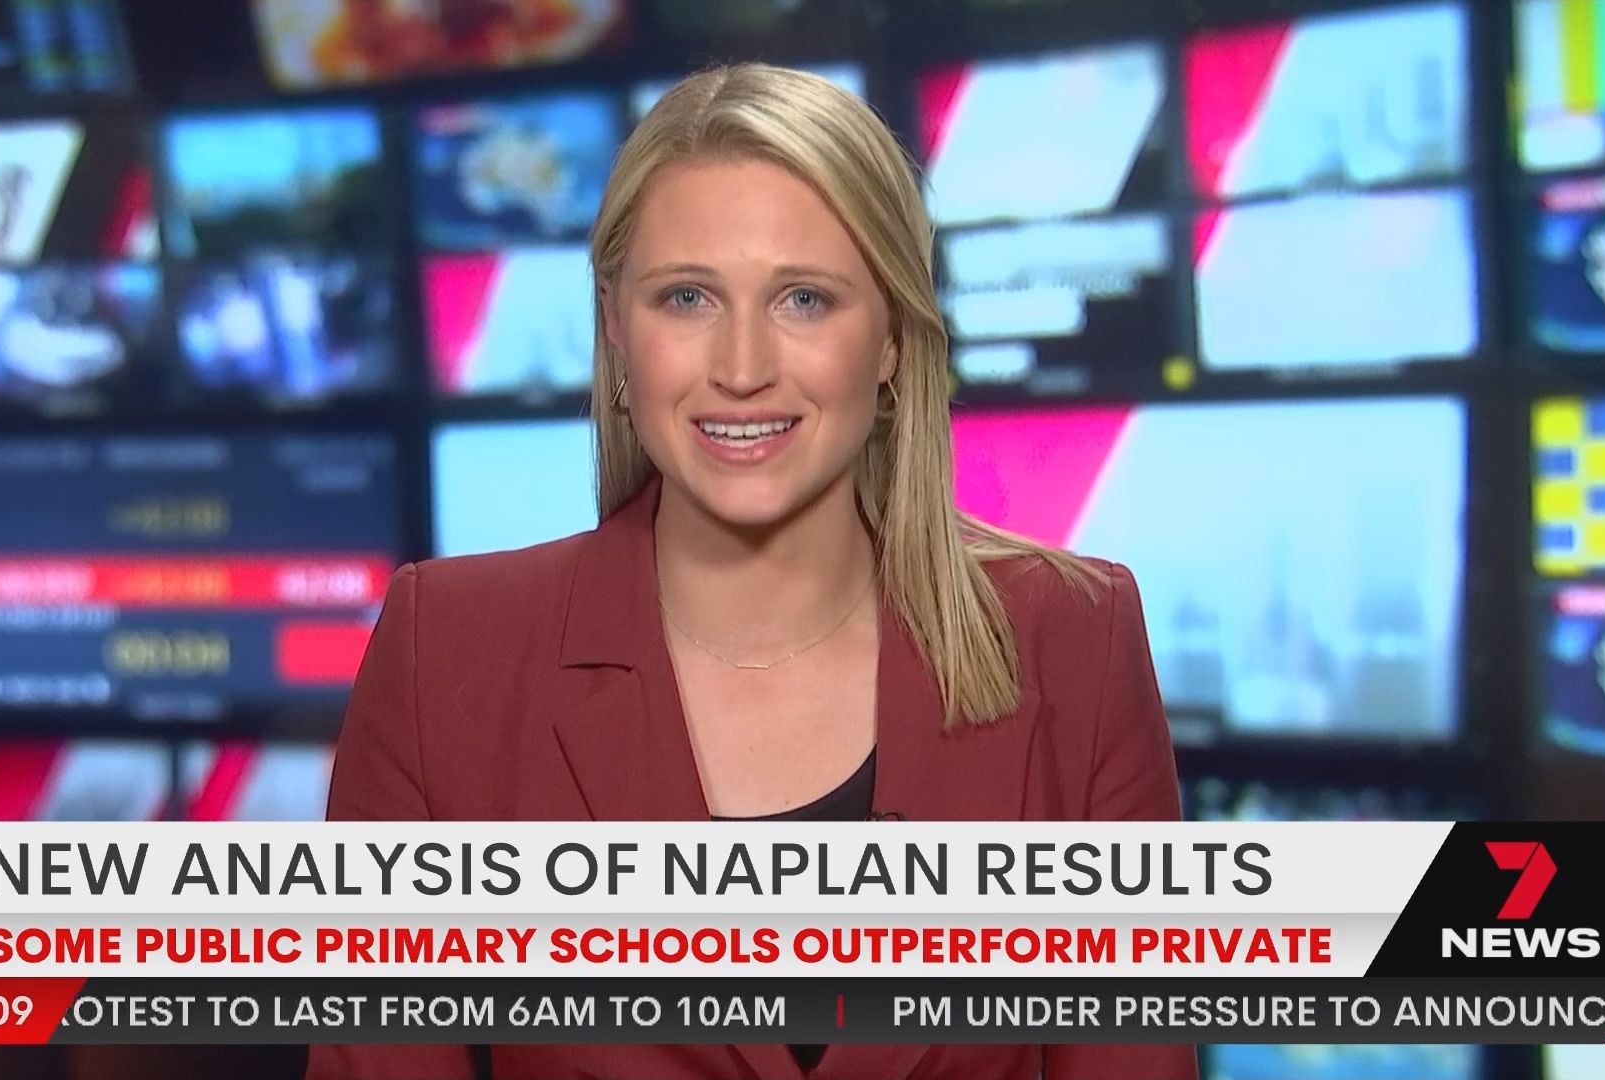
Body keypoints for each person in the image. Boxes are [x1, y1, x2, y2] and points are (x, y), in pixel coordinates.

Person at [308, 63, 1193, 1080]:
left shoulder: (1073, 639)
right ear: (616, 328)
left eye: (804, 299)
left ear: (892, 338)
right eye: (687, 297)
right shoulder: (447, 657)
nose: (741, 367)